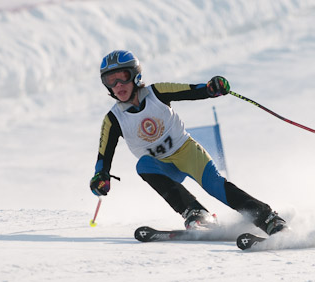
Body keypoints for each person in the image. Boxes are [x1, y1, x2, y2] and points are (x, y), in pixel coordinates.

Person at [90, 50, 287, 235]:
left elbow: (191, 90)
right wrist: (100, 177)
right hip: (161, 166)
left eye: (122, 77)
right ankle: (197, 213)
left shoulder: (156, 93)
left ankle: (268, 219)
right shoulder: (113, 119)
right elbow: (103, 156)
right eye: (110, 80)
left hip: (187, 152)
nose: (117, 85)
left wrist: (211, 89)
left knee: (216, 186)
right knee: (143, 165)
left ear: (135, 76)